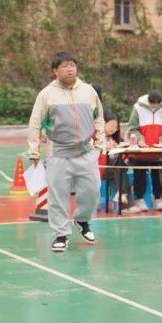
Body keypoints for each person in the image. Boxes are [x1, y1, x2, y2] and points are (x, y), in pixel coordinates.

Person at [26, 52, 104, 252]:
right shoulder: (46, 95)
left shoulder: (88, 91)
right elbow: (35, 123)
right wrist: (34, 151)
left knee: (93, 189)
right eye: (64, 66)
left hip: (86, 152)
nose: (70, 69)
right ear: (55, 71)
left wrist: (99, 144)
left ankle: (82, 219)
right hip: (58, 153)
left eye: (72, 65)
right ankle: (61, 234)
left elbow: (98, 117)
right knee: (58, 196)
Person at [125, 90, 162, 213]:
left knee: (157, 176)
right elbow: (132, 128)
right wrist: (140, 139)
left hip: (157, 150)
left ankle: (158, 199)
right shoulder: (138, 108)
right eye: (153, 105)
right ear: (148, 101)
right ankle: (140, 199)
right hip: (141, 150)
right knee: (139, 175)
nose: (155, 107)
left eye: (157, 105)